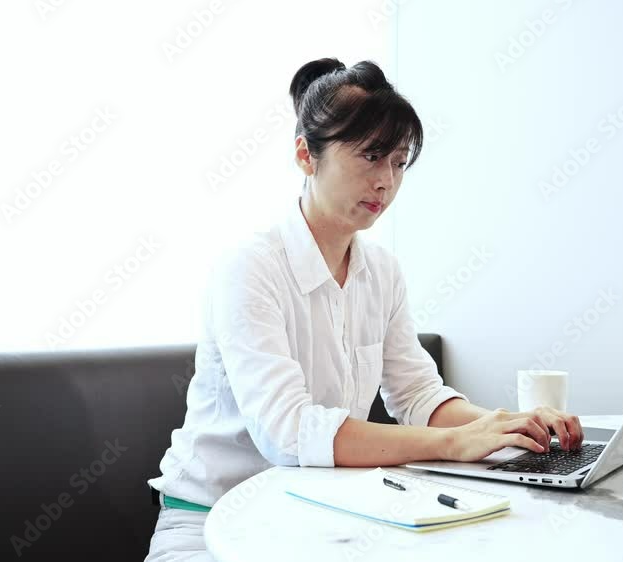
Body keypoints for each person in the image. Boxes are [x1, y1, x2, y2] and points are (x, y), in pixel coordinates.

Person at [144, 57, 583, 561]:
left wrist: (507, 428)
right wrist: (456, 442)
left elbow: (418, 394)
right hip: (211, 523)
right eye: (371, 156)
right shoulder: (249, 268)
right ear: (306, 156)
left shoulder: (382, 271)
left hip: (322, 518)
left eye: (398, 162)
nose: (386, 182)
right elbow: (288, 433)